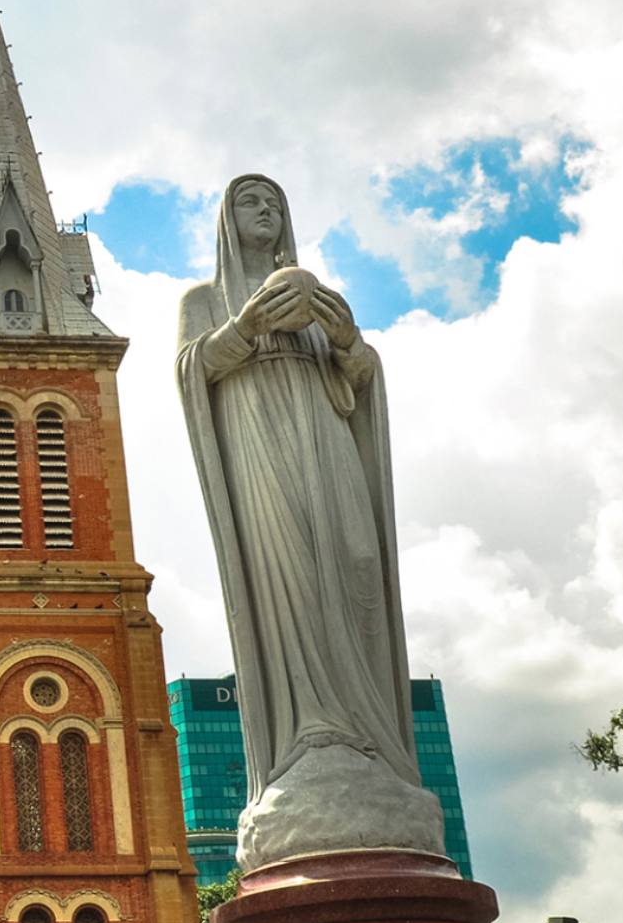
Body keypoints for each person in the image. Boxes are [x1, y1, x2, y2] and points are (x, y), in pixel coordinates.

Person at [177, 174, 441, 868]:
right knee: (288, 577)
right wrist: (248, 326)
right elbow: (192, 371)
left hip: (327, 448)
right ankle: (310, 735)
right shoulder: (205, 301)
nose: (264, 211)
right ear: (225, 220)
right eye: (249, 201)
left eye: (275, 203)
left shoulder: (323, 302)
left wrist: (349, 337)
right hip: (261, 452)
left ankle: (368, 738)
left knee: (356, 571)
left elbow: (360, 377)